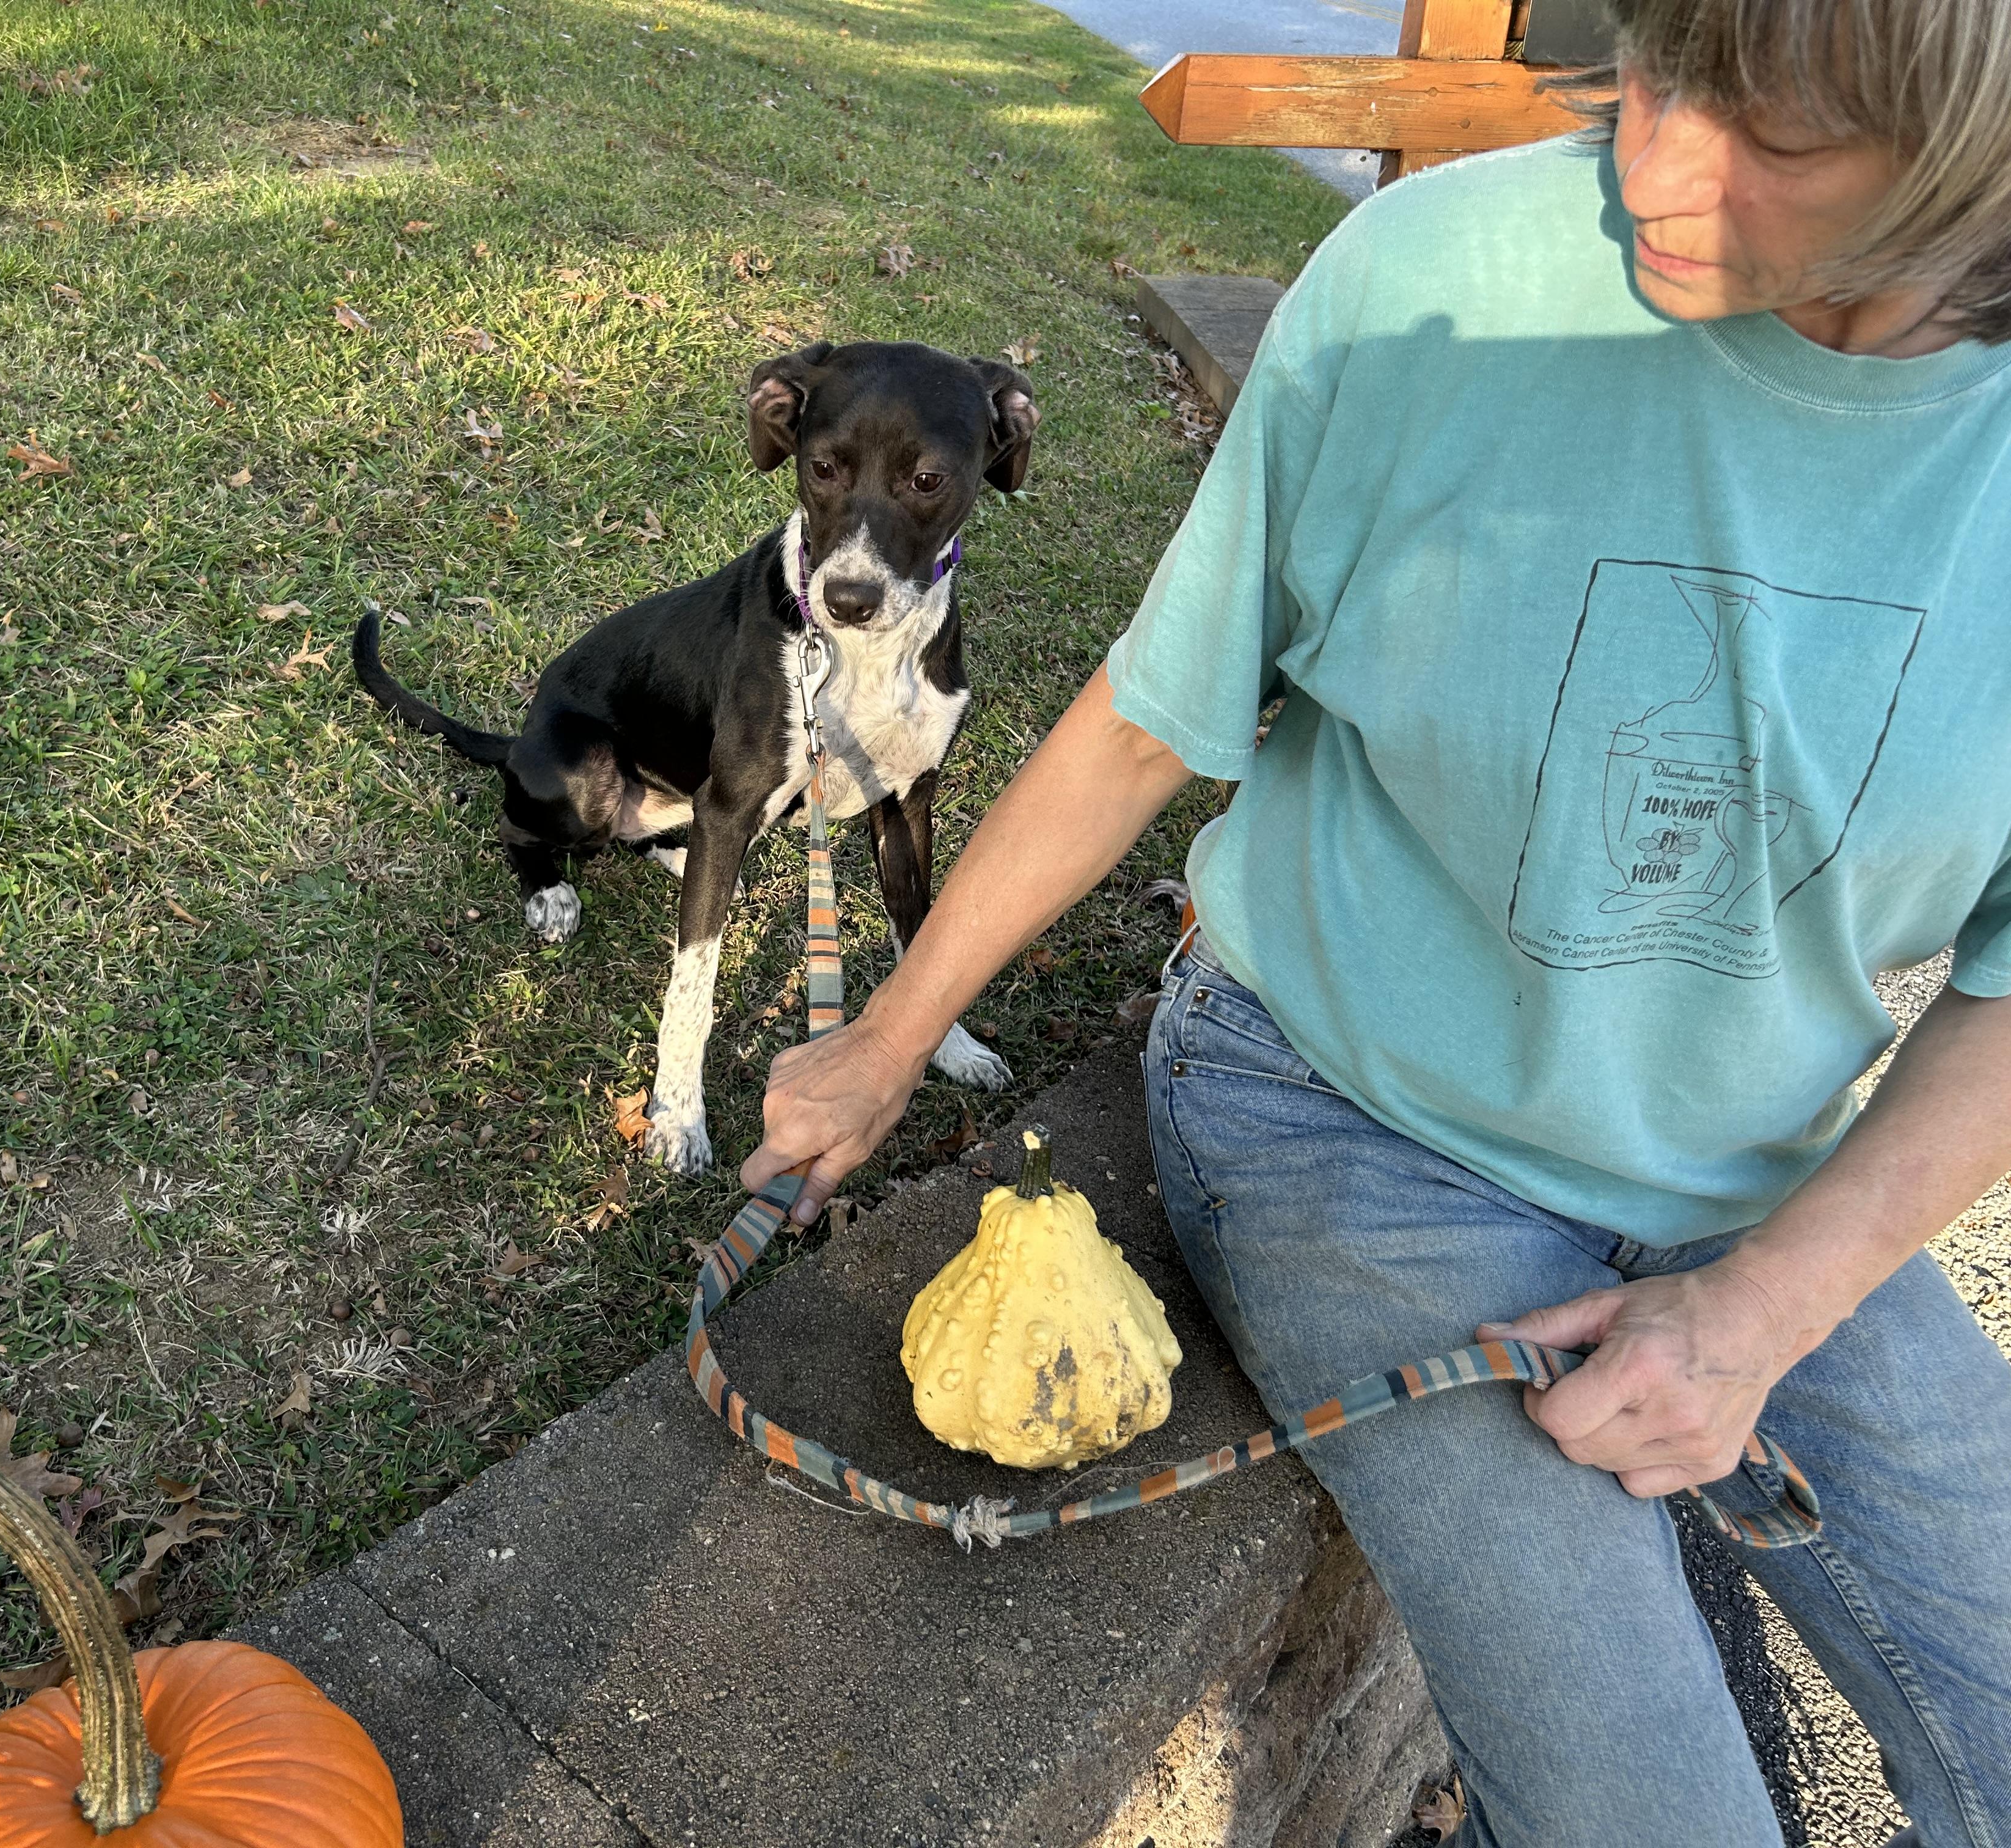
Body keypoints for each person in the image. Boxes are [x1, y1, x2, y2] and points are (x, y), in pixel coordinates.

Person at [741, 1, 2011, 1840]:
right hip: (1347, 1117)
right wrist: (884, 1032)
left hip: (1765, 1166)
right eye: (1642, 72)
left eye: (1780, 138)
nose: (1646, 167)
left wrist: (1760, 1314)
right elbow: (1146, 718)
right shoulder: (1444, 279)